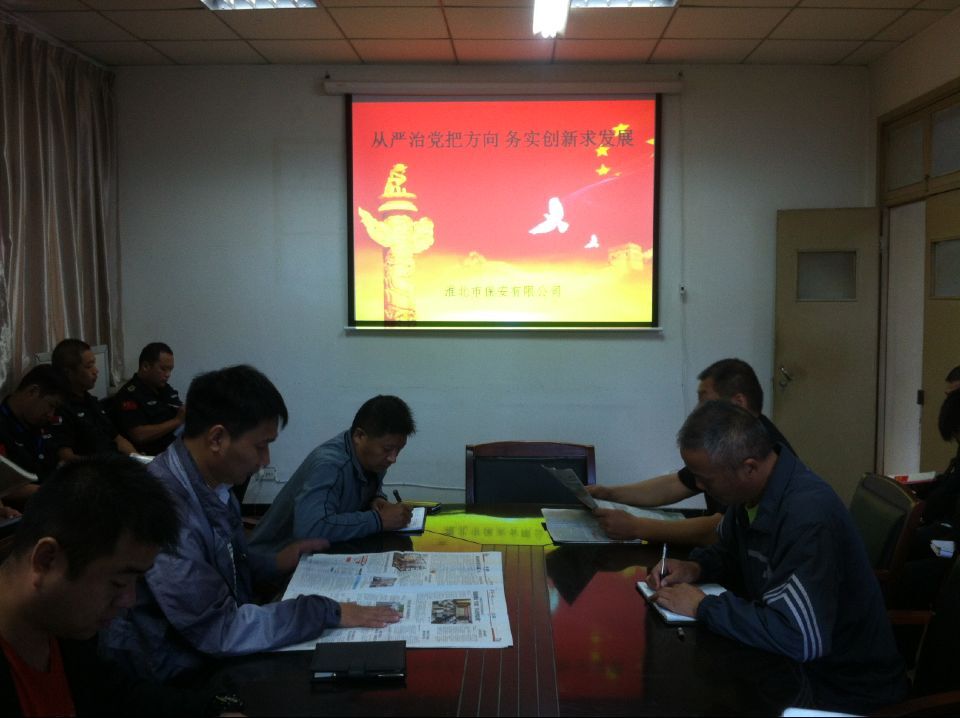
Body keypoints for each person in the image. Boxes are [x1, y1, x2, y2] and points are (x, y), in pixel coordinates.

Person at [102, 365, 400, 683]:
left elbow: (225, 563)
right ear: (217, 438)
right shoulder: (166, 511)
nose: (265, 460)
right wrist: (326, 611)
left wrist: (273, 562)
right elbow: (220, 631)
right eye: (260, 446)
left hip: (205, 648)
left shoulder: (212, 484)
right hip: (168, 674)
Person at [646, 401, 907, 714]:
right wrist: (696, 567)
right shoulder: (751, 496)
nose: (699, 486)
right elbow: (732, 552)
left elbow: (800, 637)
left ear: (749, 467)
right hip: (791, 671)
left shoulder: (806, 516)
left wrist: (704, 607)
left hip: (840, 691)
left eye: (706, 479)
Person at [0, 456, 234, 716]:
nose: (128, 600)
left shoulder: (63, 631)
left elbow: (119, 695)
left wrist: (216, 711)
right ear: (46, 560)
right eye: (118, 582)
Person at [587, 358, 793, 545]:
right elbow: (677, 484)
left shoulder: (760, 451)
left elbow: (720, 528)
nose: (697, 410)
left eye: (705, 401)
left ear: (738, 403)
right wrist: (609, 494)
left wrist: (637, 527)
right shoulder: (729, 441)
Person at [250, 395, 415, 553]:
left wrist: (376, 499)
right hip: (275, 559)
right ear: (359, 436)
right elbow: (310, 529)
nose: (393, 458)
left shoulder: (373, 459)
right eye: (387, 449)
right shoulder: (330, 466)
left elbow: (362, 491)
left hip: (326, 551)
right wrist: (378, 520)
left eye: (399, 449)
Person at [48, 339, 135, 461]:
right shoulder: (60, 408)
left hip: (117, 463)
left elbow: (117, 439)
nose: (95, 371)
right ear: (68, 372)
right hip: (93, 468)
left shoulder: (91, 401)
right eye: (89, 366)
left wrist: (140, 460)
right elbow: (66, 457)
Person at [0, 365, 69, 515]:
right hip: (26, 512)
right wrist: (55, 491)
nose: (51, 414)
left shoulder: (41, 423)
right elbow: (4, 486)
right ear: (33, 392)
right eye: (50, 406)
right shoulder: (3, 427)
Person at [114, 342, 185, 456]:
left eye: (170, 370)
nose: (168, 374)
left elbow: (178, 409)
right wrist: (176, 421)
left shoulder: (164, 388)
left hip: (179, 443)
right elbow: (139, 435)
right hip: (157, 454)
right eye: (163, 369)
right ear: (145, 366)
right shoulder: (128, 395)